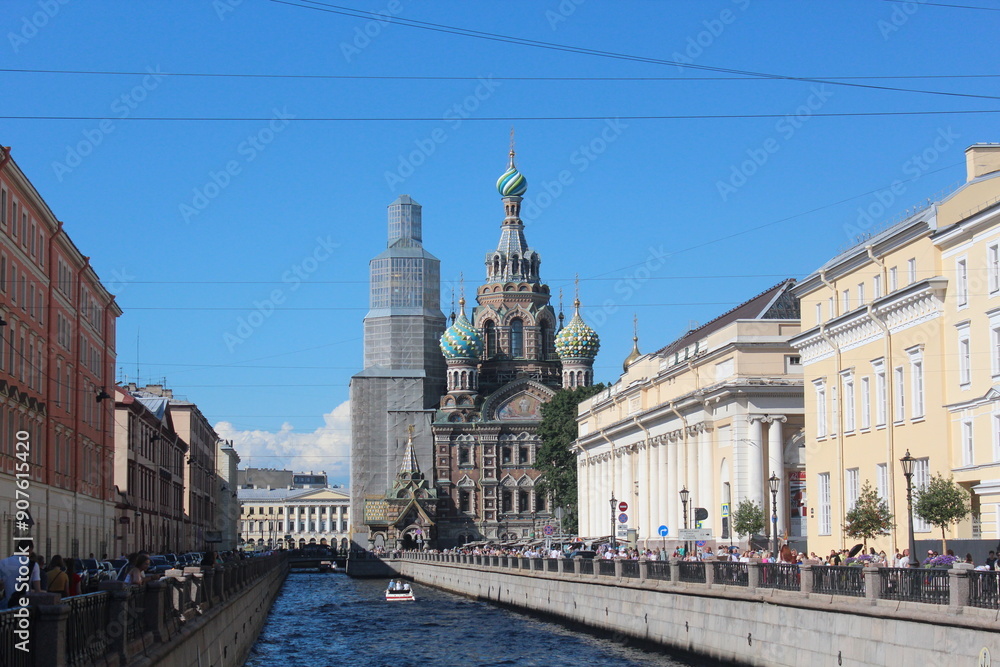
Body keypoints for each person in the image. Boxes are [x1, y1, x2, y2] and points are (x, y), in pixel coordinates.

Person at [0, 543, 41, 608]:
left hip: (7, 605)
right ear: (30, 550)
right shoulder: (33, 565)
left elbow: (1, 586)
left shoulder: (3, 562)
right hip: (25, 604)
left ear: (17, 548)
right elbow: (37, 590)